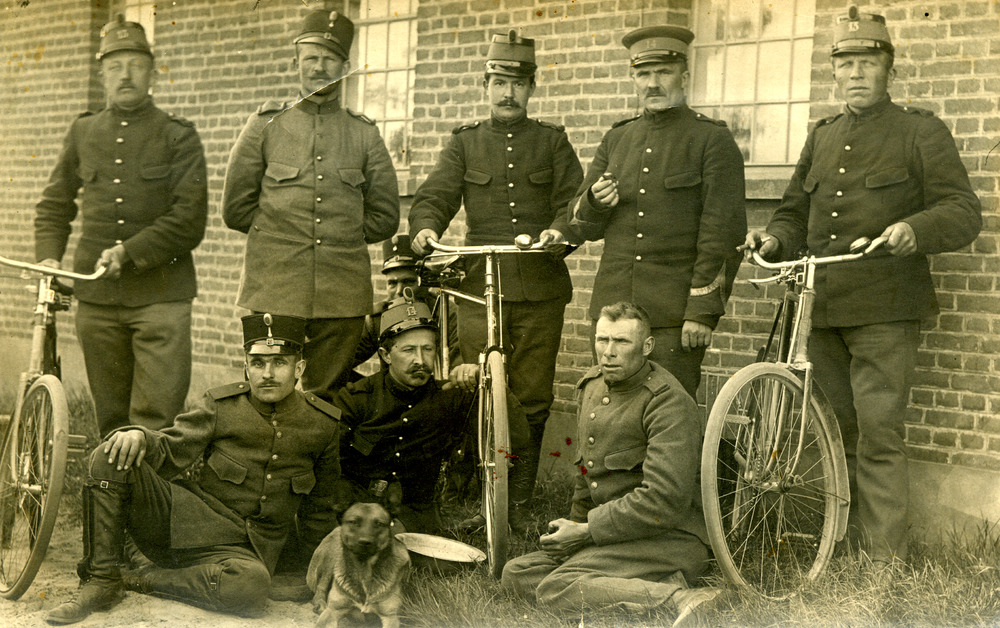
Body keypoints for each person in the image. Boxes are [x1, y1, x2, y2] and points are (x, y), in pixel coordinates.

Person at [744, 6, 981, 565]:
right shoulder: (822, 137)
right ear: (833, 71)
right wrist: (774, 240)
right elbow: (793, 213)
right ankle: (837, 545)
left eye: (868, 62)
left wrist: (914, 229)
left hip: (885, 310)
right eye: (846, 62)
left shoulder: (920, 131)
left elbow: (962, 210)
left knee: (878, 434)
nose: (856, 73)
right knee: (833, 432)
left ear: (889, 68)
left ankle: (880, 562)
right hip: (822, 308)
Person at [45, 313, 341, 625]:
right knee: (110, 455)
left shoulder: (321, 424)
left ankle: (142, 577)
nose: (267, 373)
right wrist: (139, 436)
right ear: (246, 367)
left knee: (250, 586)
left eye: (279, 362)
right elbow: (170, 448)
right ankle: (100, 580)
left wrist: (315, 573)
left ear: (299, 368)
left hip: (244, 553)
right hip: (188, 521)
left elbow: (319, 509)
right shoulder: (222, 406)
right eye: (258, 363)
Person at [409, 30, 584, 502]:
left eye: (518, 84)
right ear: (485, 85)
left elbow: (573, 203)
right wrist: (425, 228)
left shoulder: (552, 141)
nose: (509, 93)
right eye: (500, 83)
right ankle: (475, 491)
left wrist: (559, 232)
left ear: (531, 88)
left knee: (532, 393)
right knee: (476, 383)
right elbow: (435, 196)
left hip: (540, 285)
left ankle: (519, 497)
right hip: (478, 286)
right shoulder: (464, 143)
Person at [34, 15, 208, 437]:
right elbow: (54, 205)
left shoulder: (179, 136)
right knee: (111, 420)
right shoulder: (84, 131)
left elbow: (189, 220)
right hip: (97, 300)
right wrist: (49, 259)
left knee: (156, 424)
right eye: (115, 66)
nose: (125, 75)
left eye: (135, 65)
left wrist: (128, 252)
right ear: (102, 75)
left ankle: (152, 479)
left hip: (161, 298)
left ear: (152, 73)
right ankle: (112, 481)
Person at [501, 302, 718, 626]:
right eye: (602, 340)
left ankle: (683, 599)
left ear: (647, 346)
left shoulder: (667, 402)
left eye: (621, 341)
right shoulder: (591, 386)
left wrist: (586, 532)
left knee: (557, 585)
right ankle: (646, 583)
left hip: (671, 537)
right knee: (517, 574)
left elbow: (664, 501)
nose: (608, 352)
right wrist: (574, 528)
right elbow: (586, 474)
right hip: (616, 534)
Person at [223, 9, 400, 400]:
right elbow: (235, 208)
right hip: (274, 286)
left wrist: (342, 235)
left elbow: (385, 216)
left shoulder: (364, 134)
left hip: (342, 290)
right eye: (311, 58)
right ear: (295, 63)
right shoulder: (265, 124)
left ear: (346, 67)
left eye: (330, 59)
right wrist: (280, 235)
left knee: (328, 398)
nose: (320, 67)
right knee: (268, 390)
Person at [568, 25, 746, 398]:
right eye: (644, 74)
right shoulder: (617, 138)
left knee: (670, 414)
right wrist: (595, 202)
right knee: (609, 411)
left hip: (672, 316)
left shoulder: (712, 140)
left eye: (663, 72)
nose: (653, 83)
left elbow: (723, 233)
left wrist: (701, 311)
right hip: (612, 312)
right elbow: (581, 224)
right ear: (633, 79)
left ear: (685, 76)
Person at [331, 294, 532, 534]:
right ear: (386, 355)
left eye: (427, 349)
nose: (420, 360)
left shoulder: (449, 398)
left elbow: (517, 437)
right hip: (356, 510)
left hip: (413, 515)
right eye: (408, 350)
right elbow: (330, 466)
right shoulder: (357, 398)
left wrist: (487, 383)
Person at [349, 234, 461, 377]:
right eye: (392, 283)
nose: (399, 291)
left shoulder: (447, 314)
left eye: (408, 282)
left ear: (425, 283)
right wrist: (368, 388)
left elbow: (458, 369)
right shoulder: (378, 318)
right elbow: (339, 364)